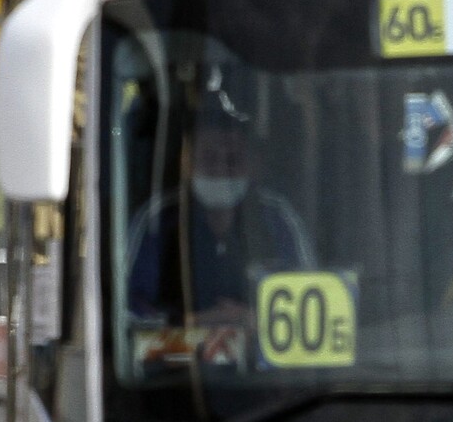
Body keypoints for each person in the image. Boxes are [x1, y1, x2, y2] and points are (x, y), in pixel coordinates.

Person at [124, 107, 316, 329]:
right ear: (187, 164)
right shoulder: (156, 220)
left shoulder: (279, 218)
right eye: (209, 158)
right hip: (175, 359)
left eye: (233, 160)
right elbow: (126, 311)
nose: (221, 170)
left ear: (253, 166)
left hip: (260, 359)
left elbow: (309, 301)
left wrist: (257, 319)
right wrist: (190, 323)